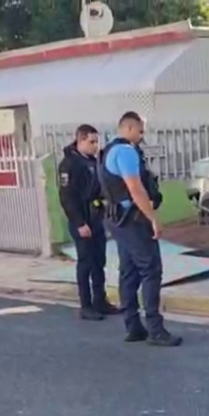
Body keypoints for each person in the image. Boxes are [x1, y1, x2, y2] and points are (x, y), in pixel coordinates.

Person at [98, 111, 182, 347]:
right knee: (151, 270)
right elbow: (135, 189)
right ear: (129, 128)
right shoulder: (125, 152)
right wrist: (153, 218)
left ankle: (133, 326)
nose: (142, 136)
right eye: (140, 130)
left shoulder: (108, 151)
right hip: (133, 220)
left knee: (129, 271)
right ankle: (155, 329)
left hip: (117, 220)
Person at [58, 124, 120, 321]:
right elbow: (67, 197)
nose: (95, 146)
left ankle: (100, 301)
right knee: (85, 263)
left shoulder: (93, 162)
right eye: (91, 142)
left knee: (98, 262)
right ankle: (86, 305)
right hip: (82, 221)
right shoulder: (69, 164)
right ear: (80, 140)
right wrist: (79, 223)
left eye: (96, 142)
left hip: (96, 219)